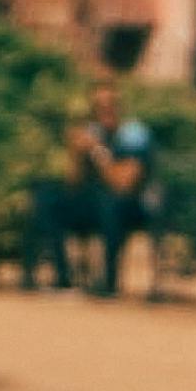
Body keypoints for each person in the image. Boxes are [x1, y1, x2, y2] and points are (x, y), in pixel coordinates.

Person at [34, 77, 155, 295]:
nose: (105, 112)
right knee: (48, 197)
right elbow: (73, 184)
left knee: (109, 204)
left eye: (110, 106)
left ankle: (108, 282)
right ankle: (62, 277)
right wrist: (76, 154)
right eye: (99, 107)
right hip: (95, 202)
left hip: (129, 206)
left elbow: (122, 183)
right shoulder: (92, 131)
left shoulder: (133, 134)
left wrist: (98, 151)